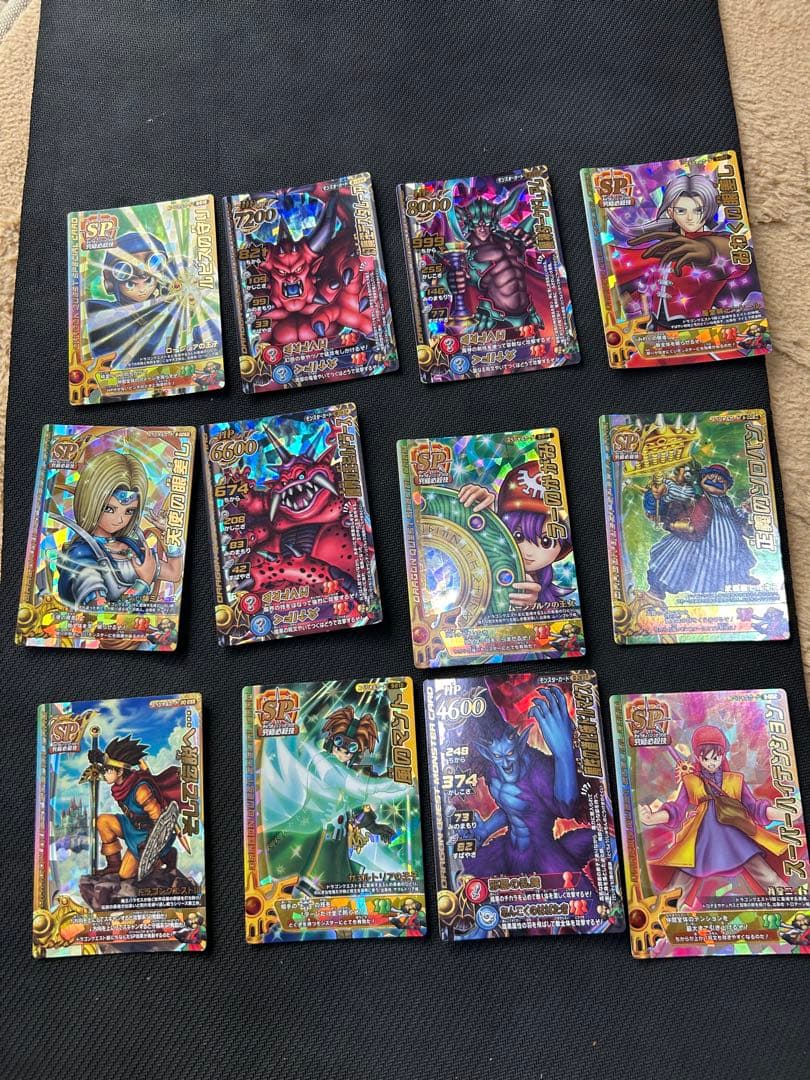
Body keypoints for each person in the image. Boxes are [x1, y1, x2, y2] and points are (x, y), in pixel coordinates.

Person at [639, 724, 788, 905]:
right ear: (698, 757)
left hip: (734, 833)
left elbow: (755, 808)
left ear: (722, 755)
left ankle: (789, 901)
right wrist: (652, 818)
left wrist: (785, 814)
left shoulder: (734, 780)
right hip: (702, 837)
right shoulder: (691, 781)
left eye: (715, 757)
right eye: (705, 758)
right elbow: (676, 810)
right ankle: (664, 914)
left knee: (765, 873)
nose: (711, 763)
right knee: (680, 884)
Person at [55, 449, 183, 608]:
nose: (120, 519)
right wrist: (143, 582)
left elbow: (174, 573)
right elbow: (100, 611)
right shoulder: (81, 555)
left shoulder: (131, 546)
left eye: (129, 511)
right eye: (109, 509)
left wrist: (171, 533)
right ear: (91, 503)